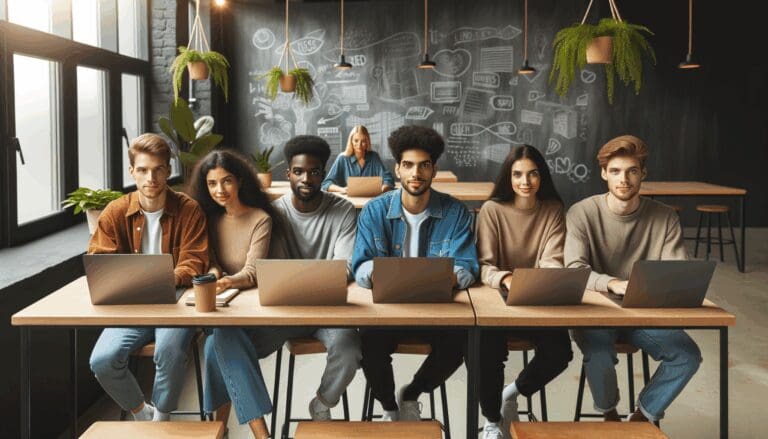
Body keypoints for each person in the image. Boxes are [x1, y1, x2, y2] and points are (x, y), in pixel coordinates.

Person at [206, 136, 361, 426]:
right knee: (220, 341)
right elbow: (268, 270)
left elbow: (346, 268)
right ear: (287, 173)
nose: (306, 178)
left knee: (349, 347)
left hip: (329, 311)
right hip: (285, 313)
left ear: (323, 174)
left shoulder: (344, 211)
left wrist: (295, 279)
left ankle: (323, 403)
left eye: (314, 172)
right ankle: (231, 425)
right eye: (299, 171)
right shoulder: (272, 214)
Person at [566, 135, 701, 423]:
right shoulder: (582, 212)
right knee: (599, 355)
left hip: (645, 313)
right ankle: (610, 416)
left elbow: (677, 270)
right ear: (604, 173)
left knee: (687, 355)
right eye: (615, 171)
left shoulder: (665, 217)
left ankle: (642, 417)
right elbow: (575, 269)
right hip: (597, 313)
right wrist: (612, 283)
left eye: (632, 171)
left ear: (643, 174)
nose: (623, 179)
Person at [351, 125, 479, 421]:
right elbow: (360, 265)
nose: (416, 174)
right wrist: (385, 276)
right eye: (408, 165)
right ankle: (389, 407)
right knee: (368, 341)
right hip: (387, 310)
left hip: (436, 310)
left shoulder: (456, 212)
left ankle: (411, 393)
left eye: (424, 166)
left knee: (461, 341)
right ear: (397, 169)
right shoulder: (374, 211)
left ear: (434, 170)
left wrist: (430, 280)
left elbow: (468, 267)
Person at [88, 133, 208, 421]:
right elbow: (100, 260)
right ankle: (142, 413)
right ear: (132, 172)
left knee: (169, 351)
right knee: (102, 360)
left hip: (176, 301)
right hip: (132, 304)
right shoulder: (115, 211)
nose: (151, 177)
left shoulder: (189, 209)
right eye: (142, 170)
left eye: (158, 169)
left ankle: (163, 418)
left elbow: (195, 262)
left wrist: (161, 279)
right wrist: (139, 283)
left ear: (168, 170)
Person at [475, 145, 573, 439]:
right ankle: (492, 421)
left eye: (533, 174)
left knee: (560, 352)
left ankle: (512, 392)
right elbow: (484, 264)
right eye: (518, 174)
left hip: (537, 299)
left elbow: (552, 260)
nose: (525, 182)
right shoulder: (492, 210)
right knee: (485, 352)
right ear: (509, 177)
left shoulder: (553, 209)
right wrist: (505, 279)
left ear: (542, 177)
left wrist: (539, 282)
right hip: (498, 299)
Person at [189, 150, 281, 438]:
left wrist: (227, 282)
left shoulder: (260, 219)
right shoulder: (209, 219)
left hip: (251, 310)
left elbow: (252, 272)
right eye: (212, 184)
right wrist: (215, 274)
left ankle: (225, 430)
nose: (220, 190)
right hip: (220, 306)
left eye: (226, 181)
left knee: (217, 343)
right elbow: (212, 261)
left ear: (240, 181)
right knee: (219, 340)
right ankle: (248, 434)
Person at [321, 125, 394, 194]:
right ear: (351, 141)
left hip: (369, 201)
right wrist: (342, 189)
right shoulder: (342, 158)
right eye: (356, 141)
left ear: (367, 142)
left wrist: (383, 188)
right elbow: (326, 184)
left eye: (363, 141)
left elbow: (387, 178)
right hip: (349, 202)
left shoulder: (373, 157)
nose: (359, 145)